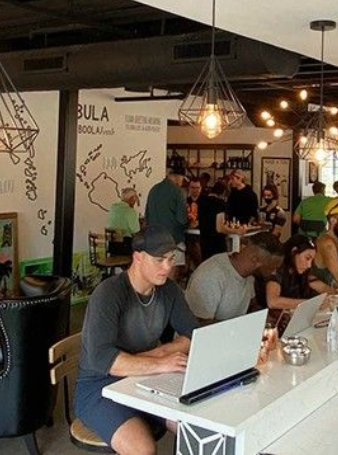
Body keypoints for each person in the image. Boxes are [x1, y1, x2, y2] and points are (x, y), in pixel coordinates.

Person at [75, 227, 198, 453]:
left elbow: (193, 333)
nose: (168, 267)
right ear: (138, 257)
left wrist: (159, 354)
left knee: (195, 430)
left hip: (149, 377)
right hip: (99, 385)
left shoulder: (169, 291)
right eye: (159, 260)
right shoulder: (109, 293)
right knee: (143, 450)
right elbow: (105, 362)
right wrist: (161, 360)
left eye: (171, 259)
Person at [186, 232, 284, 324]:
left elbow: (251, 306)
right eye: (272, 267)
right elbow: (198, 324)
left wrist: (267, 316)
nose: (274, 272)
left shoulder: (250, 276)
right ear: (255, 260)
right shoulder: (211, 275)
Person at [255, 235, 334, 311]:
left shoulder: (302, 272)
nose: (309, 265)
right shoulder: (277, 268)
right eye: (307, 258)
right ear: (293, 251)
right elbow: (273, 302)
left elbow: (323, 287)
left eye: (312, 260)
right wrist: (312, 304)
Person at [145, 172, 188, 278]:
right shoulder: (177, 191)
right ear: (177, 176)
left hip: (154, 239)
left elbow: (147, 216)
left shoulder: (153, 189)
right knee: (171, 277)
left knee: (156, 276)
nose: (182, 182)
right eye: (182, 178)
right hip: (172, 240)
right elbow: (182, 219)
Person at [197, 181, 248, 262]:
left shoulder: (201, 201)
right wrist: (237, 231)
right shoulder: (219, 203)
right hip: (216, 242)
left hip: (204, 240)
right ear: (224, 193)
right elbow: (220, 228)